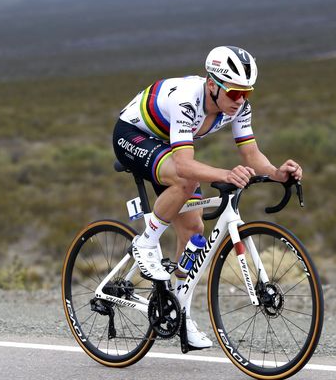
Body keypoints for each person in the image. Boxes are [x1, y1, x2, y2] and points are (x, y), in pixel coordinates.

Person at [112, 45, 303, 349]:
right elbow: (185, 165)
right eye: (234, 92)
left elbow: (251, 154)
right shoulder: (188, 99)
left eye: (247, 93)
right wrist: (226, 175)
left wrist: (278, 172)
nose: (240, 100)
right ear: (212, 84)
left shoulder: (238, 107)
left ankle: (178, 312)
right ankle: (145, 242)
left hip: (166, 145)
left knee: (192, 231)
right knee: (186, 178)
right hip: (133, 135)